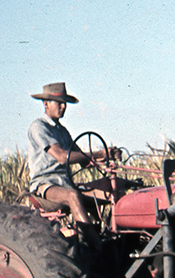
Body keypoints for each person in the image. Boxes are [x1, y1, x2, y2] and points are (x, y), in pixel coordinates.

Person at [27, 82, 119, 227]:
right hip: (45, 184)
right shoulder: (39, 127)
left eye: (64, 103)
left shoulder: (63, 131)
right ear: (46, 104)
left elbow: (83, 159)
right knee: (72, 196)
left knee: (111, 193)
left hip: (65, 182)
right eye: (59, 103)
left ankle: (113, 235)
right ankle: (94, 244)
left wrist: (107, 156)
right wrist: (99, 153)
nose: (63, 106)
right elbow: (62, 157)